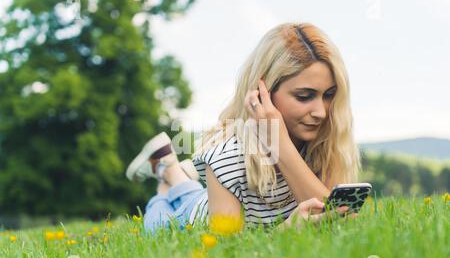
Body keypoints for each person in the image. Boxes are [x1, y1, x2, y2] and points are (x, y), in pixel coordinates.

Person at [126, 22, 361, 234]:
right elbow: (226, 253)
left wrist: (281, 146)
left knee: (192, 191)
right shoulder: (228, 157)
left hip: (210, 197)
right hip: (192, 217)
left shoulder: (326, 141)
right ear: (263, 92)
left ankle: (170, 167)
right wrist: (285, 233)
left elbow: (335, 225)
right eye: (304, 96)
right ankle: (164, 175)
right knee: (157, 224)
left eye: (329, 95)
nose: (320, 111)